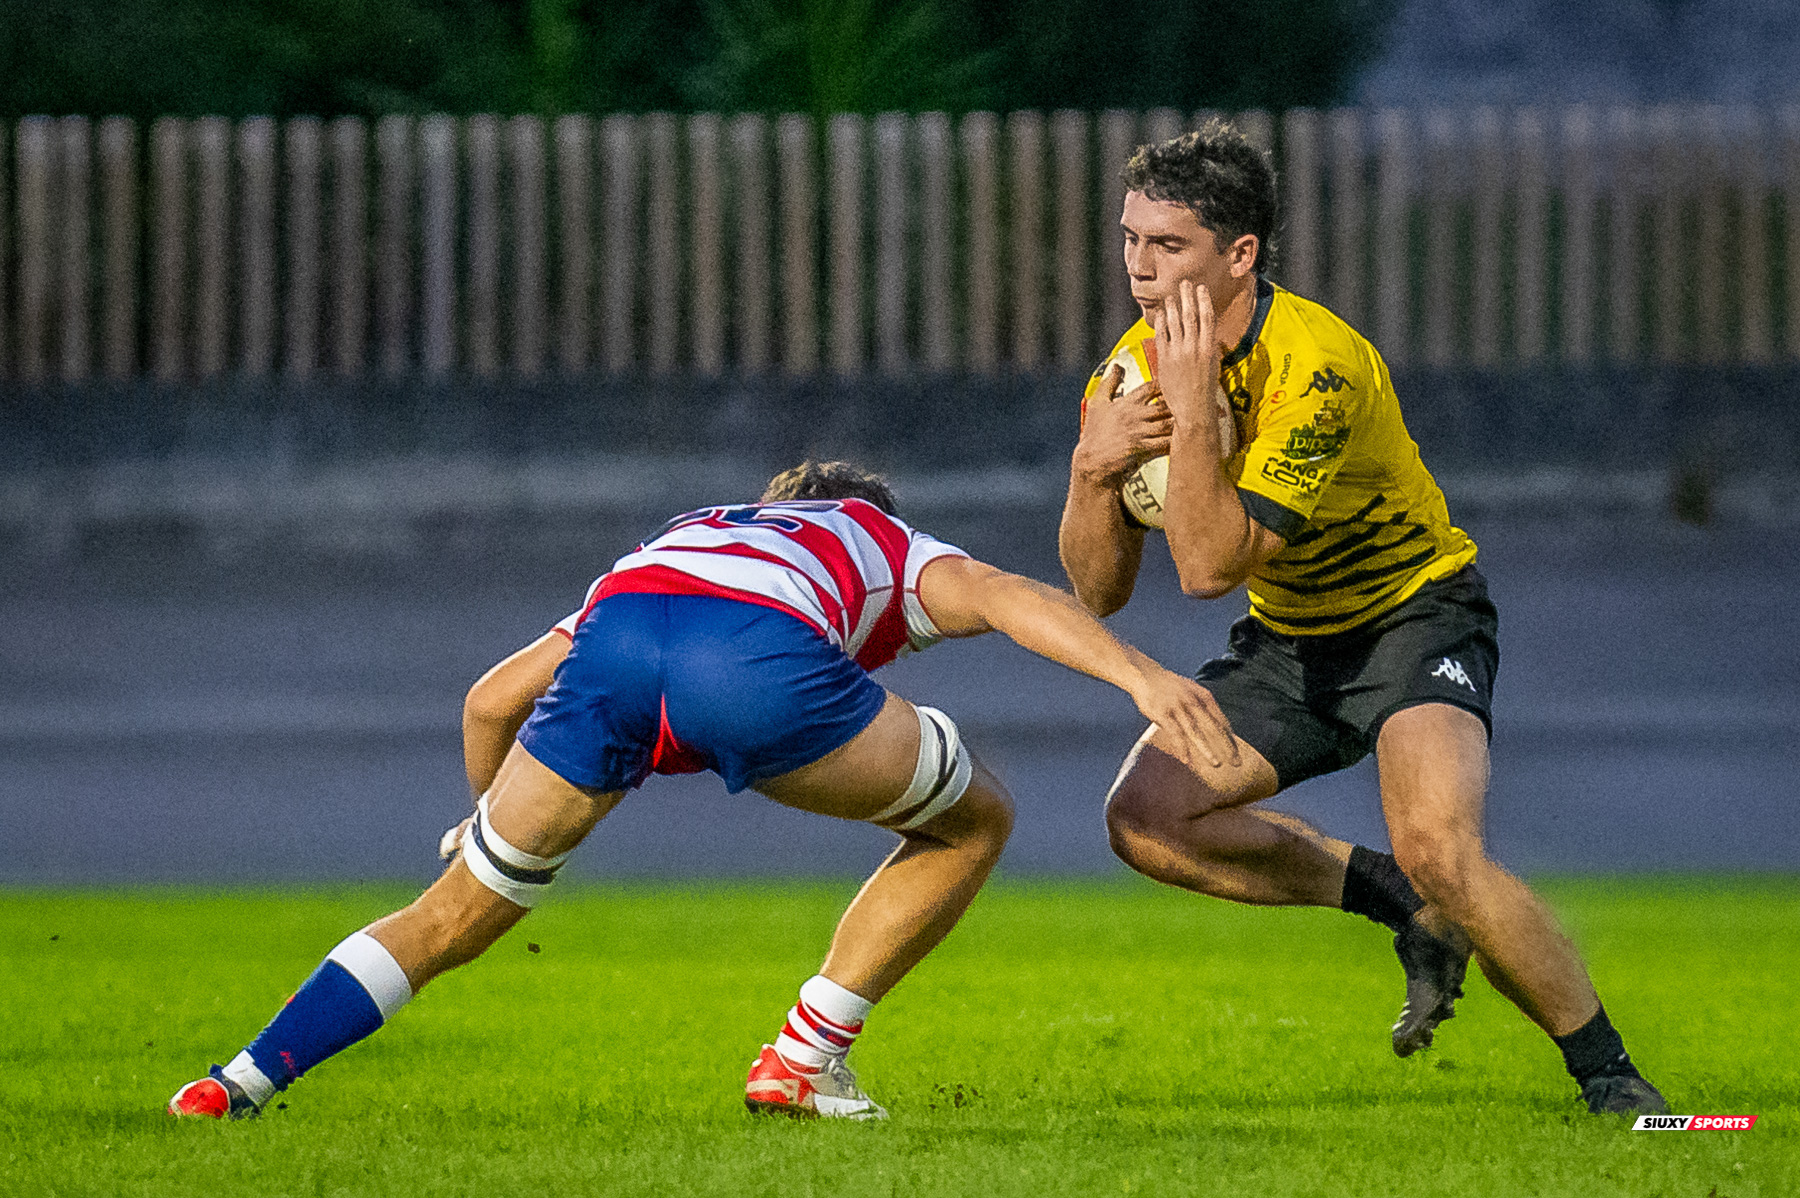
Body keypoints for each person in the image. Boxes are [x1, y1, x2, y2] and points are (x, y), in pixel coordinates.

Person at [169, 460, 1238, 1122]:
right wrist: (1142, 673)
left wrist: (483, 813)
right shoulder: (883, 539)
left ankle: (241, 1078)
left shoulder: (687, 534)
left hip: (625, 638)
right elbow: (1007, 596)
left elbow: (491, 700)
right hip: (756, 659)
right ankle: (804, 1061)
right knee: (973, 820)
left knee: (455, 915)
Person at [1057, 122, 1665, 1115]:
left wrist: (1197, 410)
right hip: (1292, 640)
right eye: (1130, 240)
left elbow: (1208, 566)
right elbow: (1098, 588)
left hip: (1412, 617)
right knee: (1145, 819)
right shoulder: (1131, 370)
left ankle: (1612, 1078)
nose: (1138, 268)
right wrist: (1093, 467)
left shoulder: (1318, 370)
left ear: (1240, 254)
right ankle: (1400, 906)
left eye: (1168, 246)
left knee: (1441, 844)